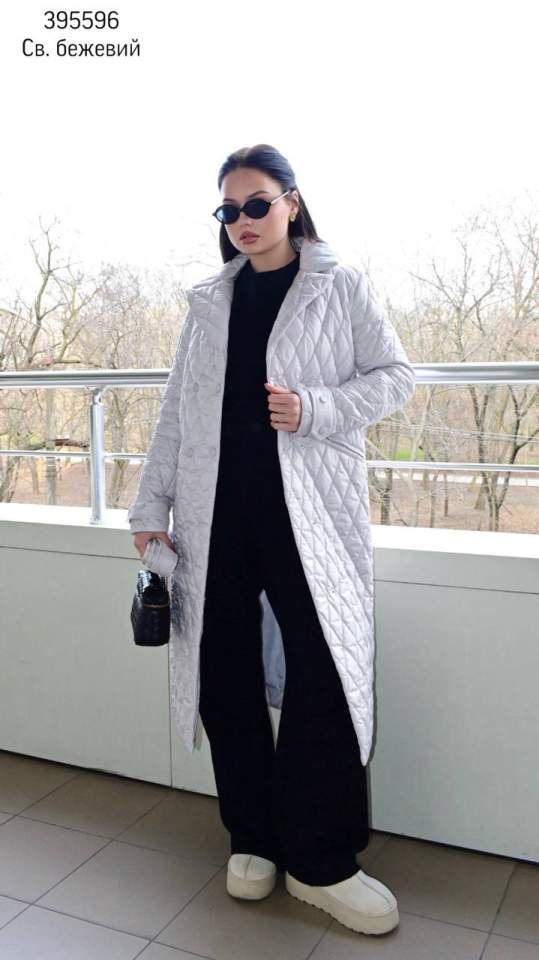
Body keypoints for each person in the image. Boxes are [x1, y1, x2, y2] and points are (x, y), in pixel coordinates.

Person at [128, 143, 415, 937]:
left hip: (308, 514)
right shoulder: (209, 302)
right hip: (214, 514)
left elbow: (393, 376)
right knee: (223, 673)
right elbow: (176, 410)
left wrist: (314, 408)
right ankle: (251, 837)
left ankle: (320, 861)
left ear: (291, 201)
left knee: (324, 672)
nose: (243, 221)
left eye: (256, 204)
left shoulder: (337, 284)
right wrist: (150, 505)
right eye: (229, 210)